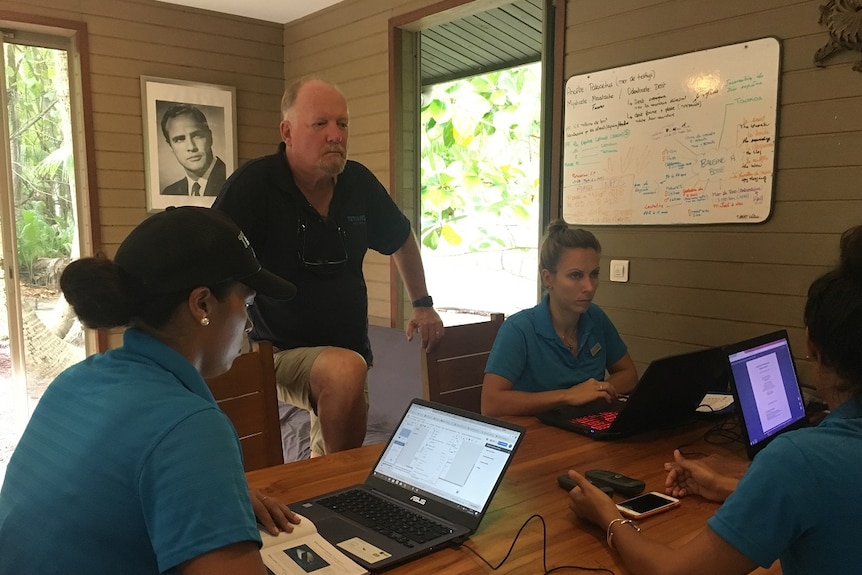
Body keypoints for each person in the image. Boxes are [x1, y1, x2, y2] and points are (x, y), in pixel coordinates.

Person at [0, 207, 301, 575]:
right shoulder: (190, 428)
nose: (250, 323)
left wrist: (211, 497)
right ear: (202, 304)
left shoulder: (74, 382)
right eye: (248, 302)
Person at [565, 224, 862, 574]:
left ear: (812, 345)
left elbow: (672, 572)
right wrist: (728, 487)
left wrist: (608, 516)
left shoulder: (799, 461)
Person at [213, 77, 444, 457]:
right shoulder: (254, 187)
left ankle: (326, 499)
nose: (335, 135)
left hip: (350, 351)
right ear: (287, 131)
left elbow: (401, 237)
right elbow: (213, 259)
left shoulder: (359, 184)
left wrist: (422, 303)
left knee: (343, 460)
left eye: (342, 124)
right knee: (343, 371)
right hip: (275, 353)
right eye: (320, 124)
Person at [481, 219, 638, 417]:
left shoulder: (595, 317)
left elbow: (629, 375)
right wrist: (568, 396)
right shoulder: (519, 329)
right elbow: (490, 404)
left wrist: (596, 391)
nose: (589, 287)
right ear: (548, 278)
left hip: (585, 430)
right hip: (536, 437)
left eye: (594, 274)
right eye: (575, 276)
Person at [160, 103, 226, 196]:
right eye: (180, 139)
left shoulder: (231, 182)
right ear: (171, 146)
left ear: (210, 137)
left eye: (197, 136)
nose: (191, 147)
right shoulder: (170, 192)